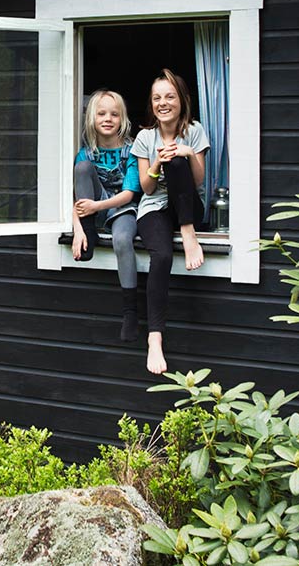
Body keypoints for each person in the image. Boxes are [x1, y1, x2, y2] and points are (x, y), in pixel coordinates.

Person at [131, 69, 209, 375]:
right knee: (161, 256)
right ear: (152, 104)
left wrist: (187, 153)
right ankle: (155, 338)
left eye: (170, 96)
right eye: (157, 98)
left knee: (178, 161)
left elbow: (199, 181)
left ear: (182, 100)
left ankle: (188, 234)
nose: (163, 103)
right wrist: (156, 163)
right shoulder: (144, 137)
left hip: (188, 206)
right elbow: (147, 188)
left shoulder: (195, 131)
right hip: (154, 208)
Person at [71, 89, 142, 342]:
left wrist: (95, 207)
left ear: (123, 119)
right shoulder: (86, 153)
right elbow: (74, 199)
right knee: (82, 168)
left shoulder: (132, 151)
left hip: (123, 208)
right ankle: (90, 234)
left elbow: (129, 193)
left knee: (122, 241)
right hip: (95, 208)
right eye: (101, 114)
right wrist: (78, 229)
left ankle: (130, 312)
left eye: (114, 114)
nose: (108, 119)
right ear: (92, 118)